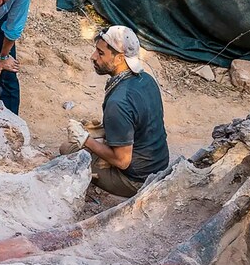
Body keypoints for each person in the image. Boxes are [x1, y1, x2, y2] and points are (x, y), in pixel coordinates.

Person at [60, 26, 169, 197]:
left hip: (137, 180)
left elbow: (122, 161)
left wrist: (85, 140)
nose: (93, 57)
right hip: (159, 164)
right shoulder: (146, 79)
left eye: (100, 53)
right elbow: (138, 122)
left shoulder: (118, 102)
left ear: (119, 58)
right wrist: (99, 131)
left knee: (68, 149)